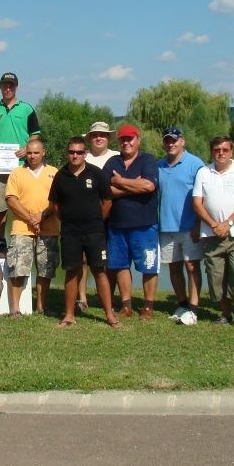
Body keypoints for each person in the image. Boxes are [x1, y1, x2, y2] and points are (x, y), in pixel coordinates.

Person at [50, 136, 119, 329]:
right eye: (71, 152)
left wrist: (97, 220)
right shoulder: (60, 175)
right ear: (67, 153)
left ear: (85, 154)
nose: (75, 155)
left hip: (94, 231)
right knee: (72, 271)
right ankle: (69, 315)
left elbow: (107, 201)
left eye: (79, 152)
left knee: (99, 271)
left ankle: (110, 315)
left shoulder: (96, 173)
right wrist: (67, 220)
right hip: (70, 231)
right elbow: (54, 205)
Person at [192, 136, 234, 328]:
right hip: (211, 233)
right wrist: (213, 224)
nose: (221, 153)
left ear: (231, 152)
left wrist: (228, 223)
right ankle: (225, 314)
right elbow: (197, 202)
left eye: (225, 150)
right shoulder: (204, 172)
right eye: (217, 149)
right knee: (216, 274)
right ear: (212, 152)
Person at [102, 124, 160, 320]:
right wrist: (134, 184)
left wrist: (119, 182)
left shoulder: (148, 160)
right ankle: (126, 305)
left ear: (138, 140)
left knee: (148, 266)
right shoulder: (112, 162)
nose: (126, 142)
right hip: (117, 225)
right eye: (123, 139)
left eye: (130, 139)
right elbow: (105, 191)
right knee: (119, 265)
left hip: (145, 224)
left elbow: (149, 186)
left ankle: (148, 306)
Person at [0, 72, 41, 252]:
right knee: (0, 205)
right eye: (5, 85)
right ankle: (1, 238)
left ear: (16, 87)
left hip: (22, 164)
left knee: (23, 203)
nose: (8, 88)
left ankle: (23, 237)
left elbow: (35, 134)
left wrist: (27, 148)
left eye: (11, 85)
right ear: (0, 87)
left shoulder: (27, 109)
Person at [4, 138, 59, 316]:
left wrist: (41, 216)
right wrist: (30, 218)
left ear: (44, 153)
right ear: (25, 154)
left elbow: (58, 200)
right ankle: (15, 309)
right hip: (22, 229)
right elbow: (11, 199)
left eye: (36, 152)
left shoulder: (54, 173)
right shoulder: (16, 173)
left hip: (49, 228)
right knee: (18, 269)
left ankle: (41, 306)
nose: (33, 156)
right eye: (29, 153)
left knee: (45, 270)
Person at [157, 126, 205, 324]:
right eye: (167, 141)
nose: (171, 144)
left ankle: (193, 308)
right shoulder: (159, 166)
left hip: (189, 226)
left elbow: (204, 197)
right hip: (166, 227)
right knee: (174, 268)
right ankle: (182, 304)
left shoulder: (195, 164)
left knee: (192, 266)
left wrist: (198, 224)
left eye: (174, 140)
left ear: (182, 141)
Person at [79, 121, 119, 309]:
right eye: (95, 135)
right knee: (84, 258)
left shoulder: (117, 157)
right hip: (86, 217)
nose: (99, 138)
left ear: (109, 138)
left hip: (114, 215)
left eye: (102, 135)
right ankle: (82, 298)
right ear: (89, 139)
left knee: (111, 257)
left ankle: (108, 297)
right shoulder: (81, 156)